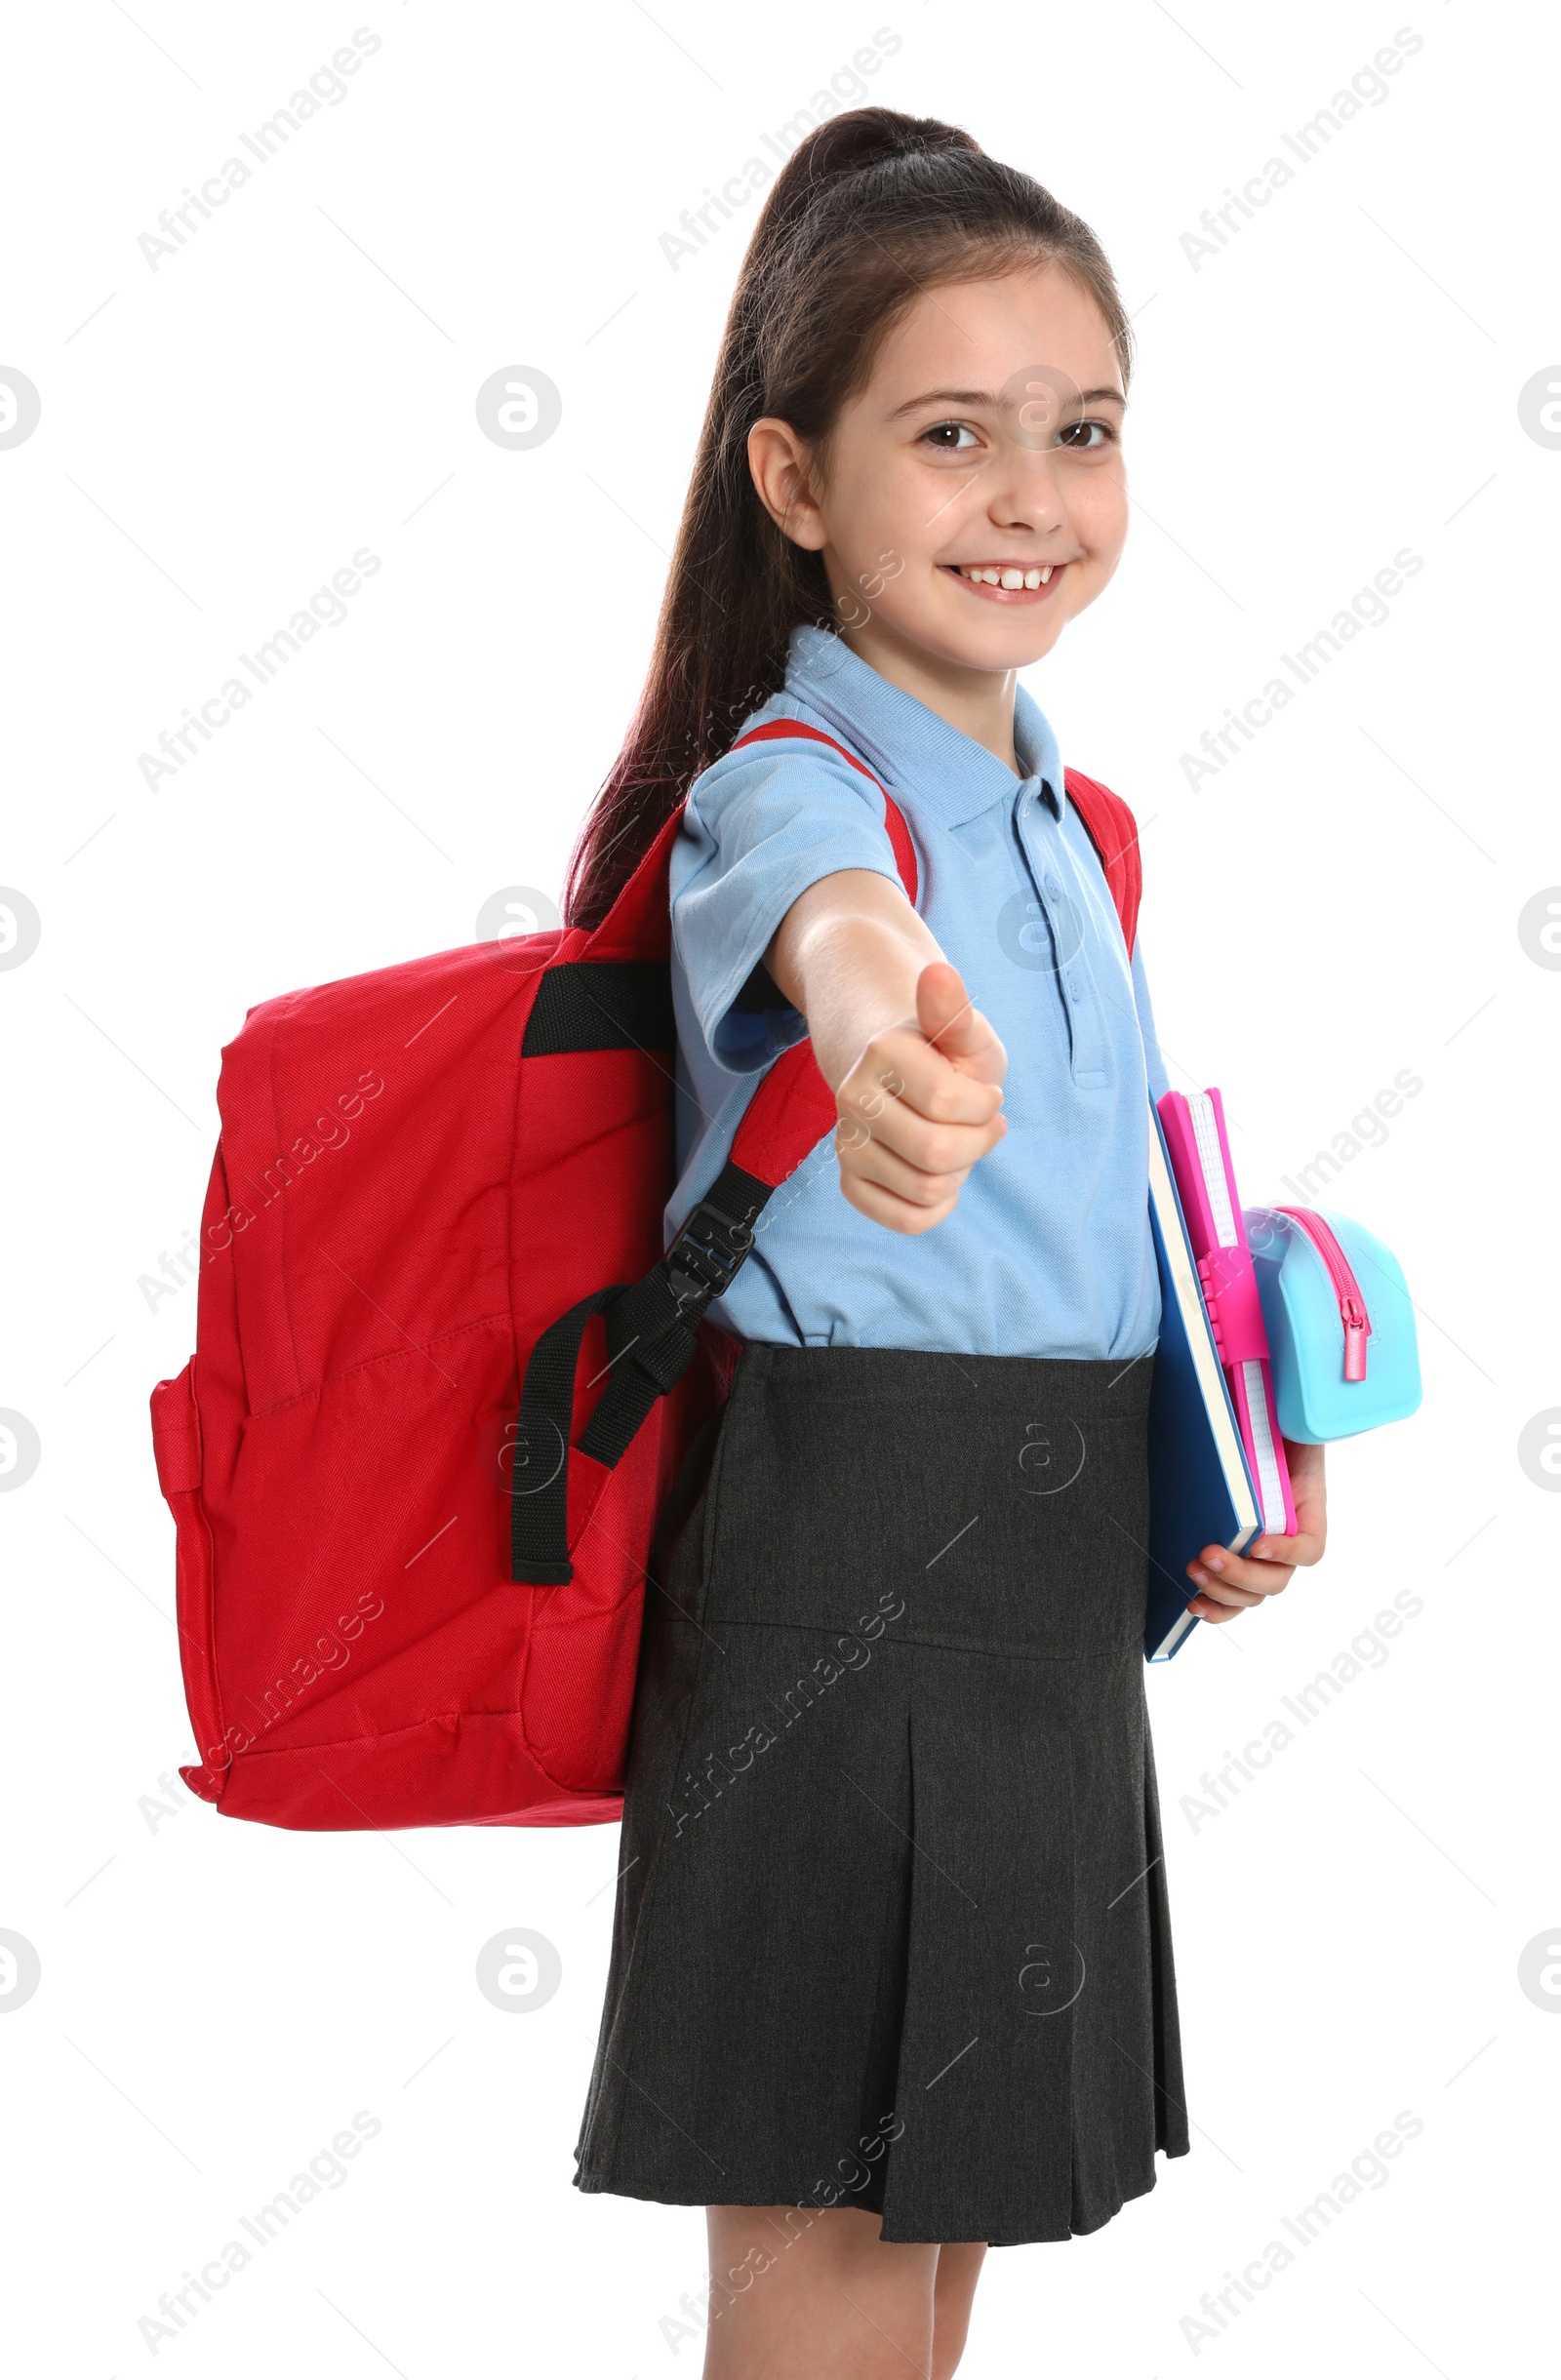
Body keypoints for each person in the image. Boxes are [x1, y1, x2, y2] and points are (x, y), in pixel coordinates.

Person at [566, 105, 1327, 2380]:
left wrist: (1224, 1457)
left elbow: (1101, 1229)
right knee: (814, 2301)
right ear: (791, 482)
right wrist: (885, 1027)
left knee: (928, 2290)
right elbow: (843, 936)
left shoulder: (1070, 823)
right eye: (949, 434)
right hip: (839, 1579)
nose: (1029, 494)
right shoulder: (785, 784)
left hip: (1034, 1580)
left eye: (1077, 430)